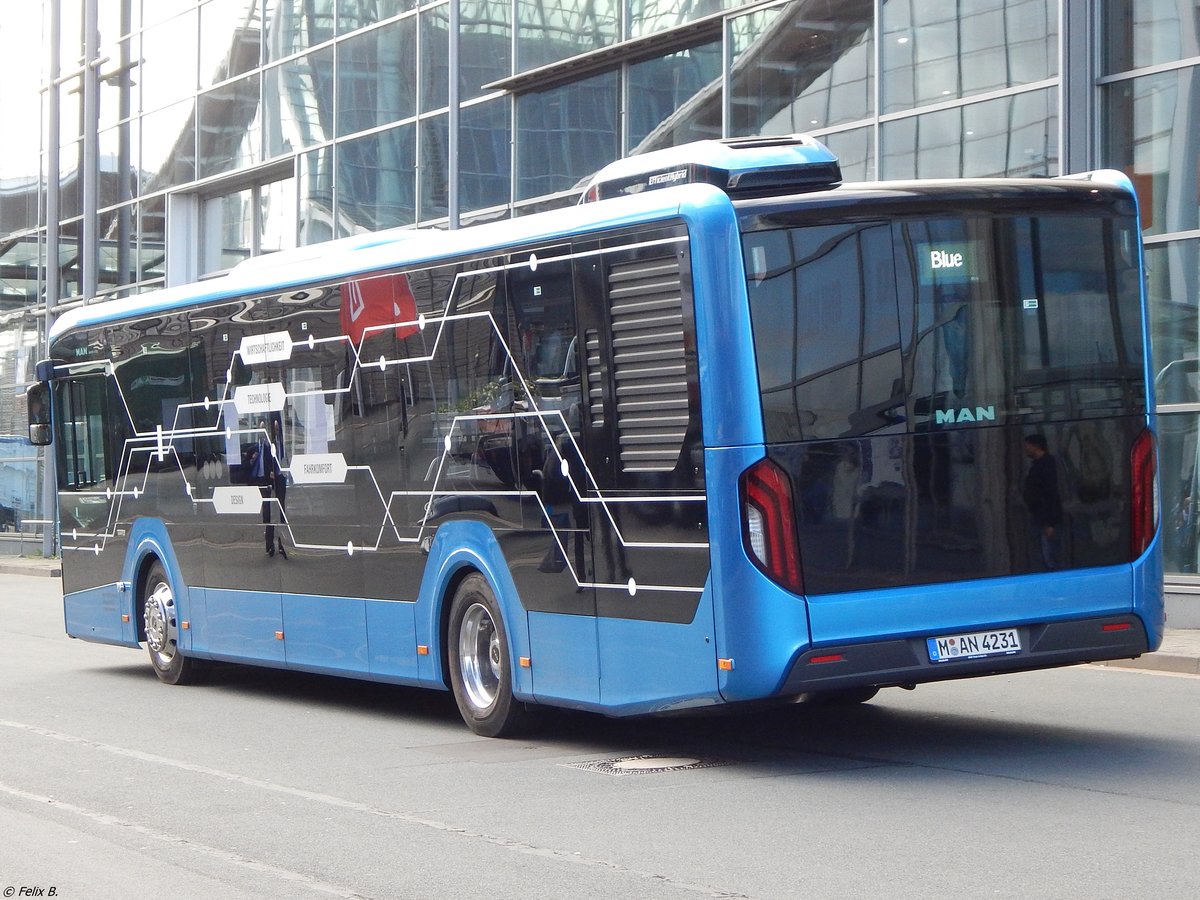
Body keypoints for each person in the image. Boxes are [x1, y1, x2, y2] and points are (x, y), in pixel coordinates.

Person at [1023, 433, 1062, 570]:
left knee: (1050, 558)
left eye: (1028, 445)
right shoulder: (1038, 465)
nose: (1025, 449)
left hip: (1046, 520)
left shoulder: (1047, 465)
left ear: (1036, 446)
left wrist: (1050, 523)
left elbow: (1051, 493)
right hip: (1040, 518)